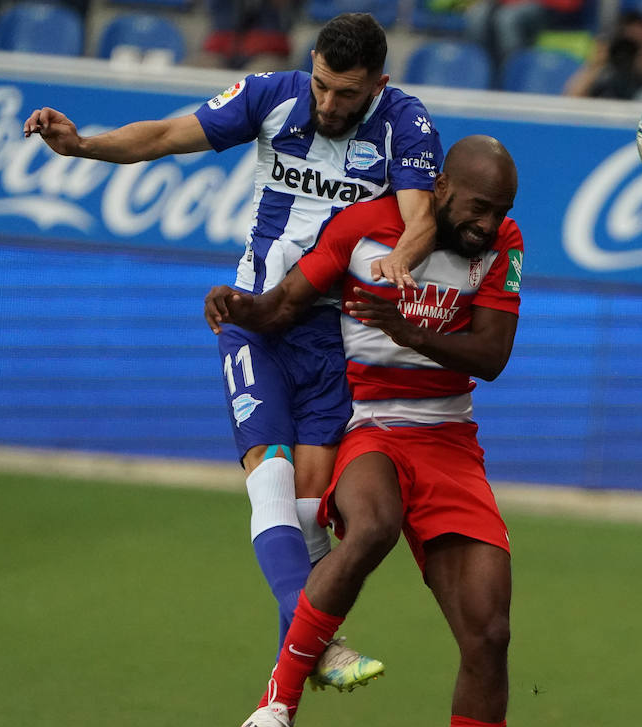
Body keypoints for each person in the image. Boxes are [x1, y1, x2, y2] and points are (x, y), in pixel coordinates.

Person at [24, 13, 445, 685]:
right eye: (323, 86)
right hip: (254, 315)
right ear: (310, 65)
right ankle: (320, 649)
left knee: (313, 509)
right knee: (270, 479)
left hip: (337, 335)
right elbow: (164, 135)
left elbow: (422, 217)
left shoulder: (405, 123)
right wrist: (83, 147)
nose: (330, 104)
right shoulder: (270, 95)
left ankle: (289, 679)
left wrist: (401, 259)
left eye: (347, 94)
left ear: (379, 84)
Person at [206, 134, 521, 727]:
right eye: (478, 207)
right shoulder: (360, 226)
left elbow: (491, 354)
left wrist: (404, 324)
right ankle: (281, 696)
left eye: (500, 211)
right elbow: (284, 305)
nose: (489, 224)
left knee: (489, 634)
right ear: (441, 188)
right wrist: (240, 308)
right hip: (372, 426)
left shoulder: (502, 245)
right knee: (372, 525)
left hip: (449, 439)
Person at [563, 9, 642, 100]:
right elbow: (571, 100)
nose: (633, 49)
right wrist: (594, 66)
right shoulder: (605, 73)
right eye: (629, 42)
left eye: (640, 42)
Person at [460, 0, 591, 70]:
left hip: (553, 10)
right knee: (477, 14)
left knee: (508, 19)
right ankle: (480, 76)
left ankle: (514, 77)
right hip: (514, 5)